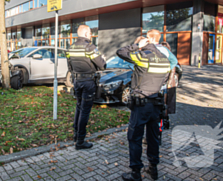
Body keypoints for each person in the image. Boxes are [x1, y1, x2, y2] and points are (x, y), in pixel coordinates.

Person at [117, 29, 177, 181]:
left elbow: (121, 52)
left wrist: (137, 45)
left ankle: (136, 173)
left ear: (147, 41)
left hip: (141, 104)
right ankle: (153, 169)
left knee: (135, 138)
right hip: (156, 104)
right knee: (153, 138)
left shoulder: (143, 57)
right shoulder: (165, 60)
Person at [66, 25, 106, 150]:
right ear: (87, 33)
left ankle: (76, 135)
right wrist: (103, 59)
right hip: (88, 81)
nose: (91, 35)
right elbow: (102, 65)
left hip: (77, 80)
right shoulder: (90, 47)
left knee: (78, 107)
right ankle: (80, 141)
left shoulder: (70, 48)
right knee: (84, 110)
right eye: (90, 33)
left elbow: (70, 67)